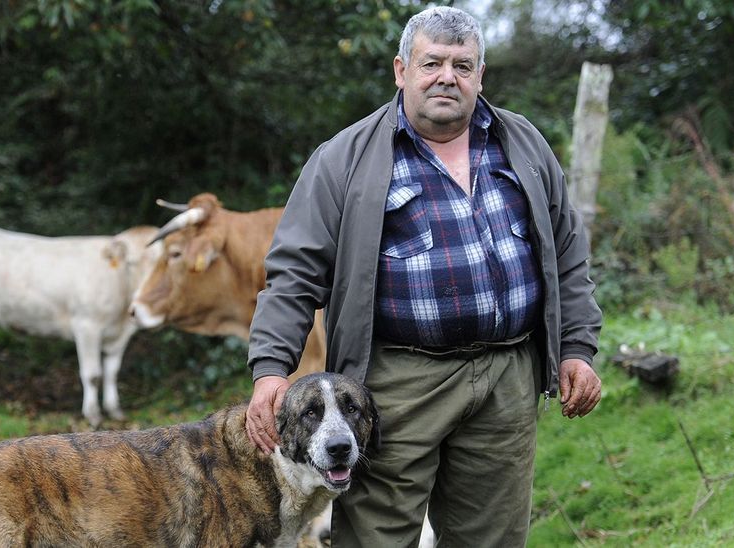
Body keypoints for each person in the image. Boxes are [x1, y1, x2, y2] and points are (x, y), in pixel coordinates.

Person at [244, 5, 603, 547]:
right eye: (431, 62)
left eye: (463, 65)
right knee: (377, 536)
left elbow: (568, 253)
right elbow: (294, 273)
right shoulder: (344, 159)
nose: (447, 77)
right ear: (400, 70)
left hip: (508, 373)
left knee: (492, 536)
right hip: (395, 382)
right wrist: (272, 369)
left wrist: (576, 347)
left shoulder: (523, 145)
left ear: (481, 76)